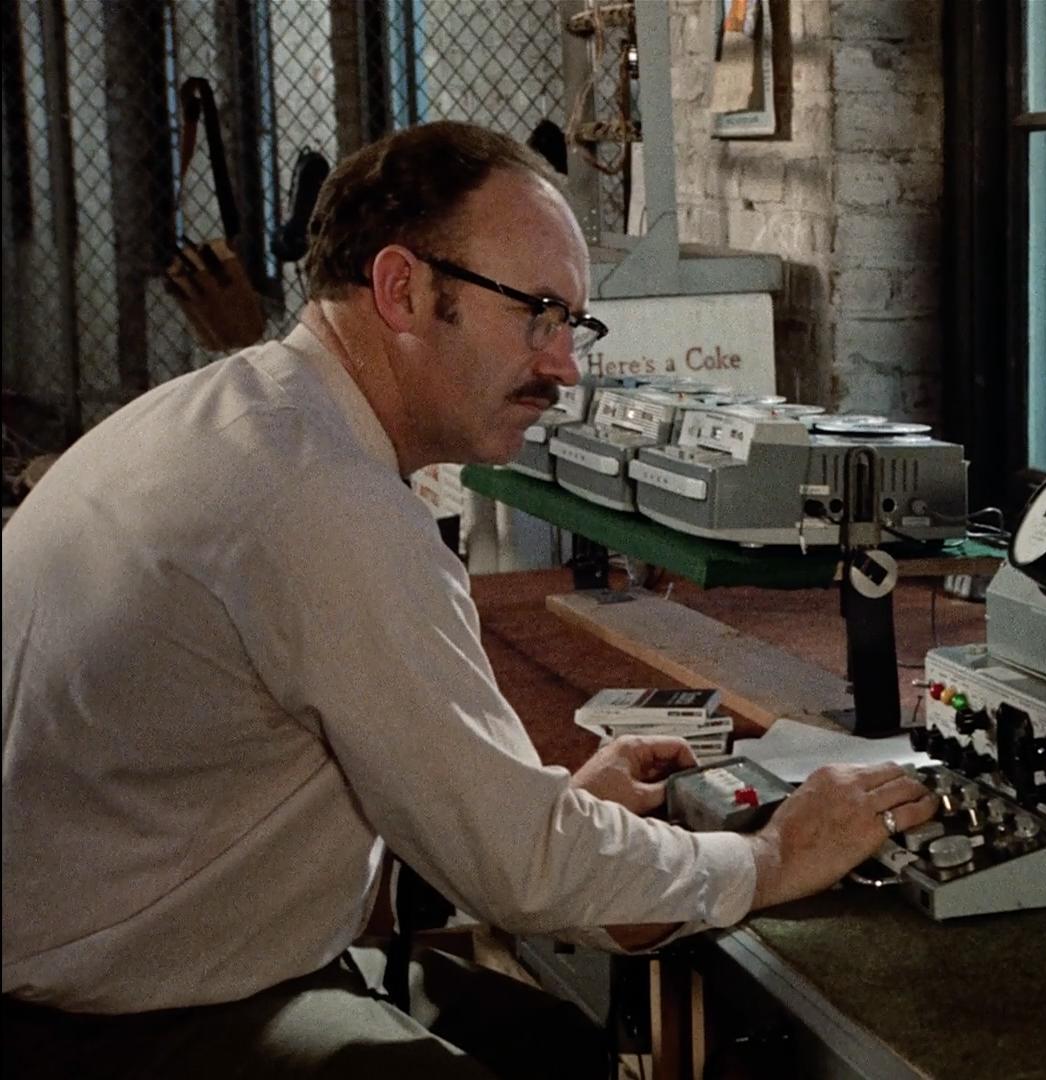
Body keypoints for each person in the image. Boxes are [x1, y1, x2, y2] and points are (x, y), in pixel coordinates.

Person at [0, 120, 936, 1077]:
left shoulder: (241, 418)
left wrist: (542, 812)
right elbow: (525, 874)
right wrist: (777, 856)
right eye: (538, 312)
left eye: (574, 323)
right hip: (112, 1021)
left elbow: (481, 830)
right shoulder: (321, 503)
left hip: (145, 958)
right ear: (402, 289)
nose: (564, 364)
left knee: (557, 1045)